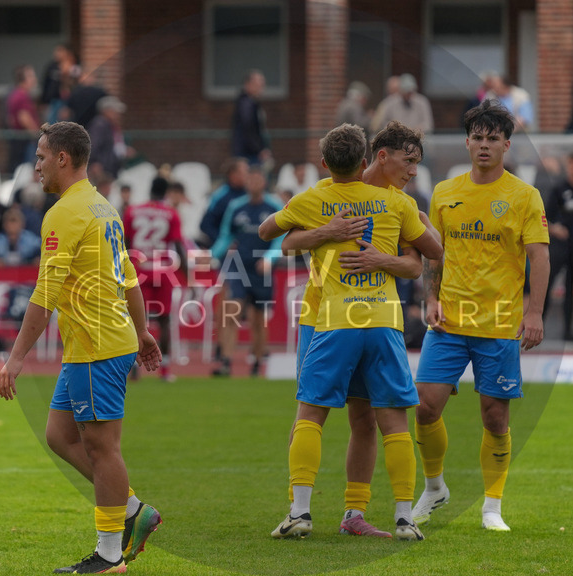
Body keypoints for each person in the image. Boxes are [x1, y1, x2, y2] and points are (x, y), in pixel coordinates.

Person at [260, 123, 442, 541]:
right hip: (324, 316)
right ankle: (381, 513)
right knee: (327, 413)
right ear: (376, 158)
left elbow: (415, 264)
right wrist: (328, 232)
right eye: (408, 161)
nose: (413, 171)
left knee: (352, 417)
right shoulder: (381, 201)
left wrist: (380, 259)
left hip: (339, 320)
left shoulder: (388, 201)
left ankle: (347, 513)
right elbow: (286, 244)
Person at [0, 121, 163, 574]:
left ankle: (109, 555)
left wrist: (16, 357)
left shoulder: (65, 212)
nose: (37, 167)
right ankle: (133, 510)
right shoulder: (103, 206)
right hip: (98, 342)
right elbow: (128, 276)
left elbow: (44, 293)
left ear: (62, 158)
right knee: (59, 435)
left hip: (97, 344)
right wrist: (142, 331)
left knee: (102, 448)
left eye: (41, 157)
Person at [411, 100, 549, 532]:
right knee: (425, 407)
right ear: (467, 142)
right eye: (478, 137)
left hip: (499, 324)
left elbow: (540, 256)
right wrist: (430, 298)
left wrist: (534, 312)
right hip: (449, 321)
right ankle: (434, 487)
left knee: (495, 416)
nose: (484, 145)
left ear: (507, 145)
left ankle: (492, 506)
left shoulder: (524, 196)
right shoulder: (444, 192)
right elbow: (434, 253)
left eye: (493, 138)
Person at [210, 168, 283, 377]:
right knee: (231, 312)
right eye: (250, 179)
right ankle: (226, 362)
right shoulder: (236, 206)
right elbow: (226, 235)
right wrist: (212, 255)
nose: (253, 183)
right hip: (239, 265)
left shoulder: (274, 206)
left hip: (262, 269)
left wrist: (269, 258)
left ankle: (257, 362)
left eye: (257, 179)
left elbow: (280, 238)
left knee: (258, 319)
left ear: (264, 182)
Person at [122, 177, 186, 382]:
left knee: (135, 320)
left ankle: (134, 367)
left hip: (137, 270)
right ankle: (164, 370)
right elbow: (177, 245)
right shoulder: (171, 213)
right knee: (164, 319)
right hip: (162, 270)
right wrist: (188, 276)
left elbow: (125, 243)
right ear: (165, 192)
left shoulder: (132, 211)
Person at [544, 152, 573, 341]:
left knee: (571, 289)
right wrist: (555, 229)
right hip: (558, 246)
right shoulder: (558, 190)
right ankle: (538, 325)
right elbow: (543, 218)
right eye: (571, 165)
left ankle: (568, 331)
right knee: (547, 285)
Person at [198, 157, 249, 248]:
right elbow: (206, 225)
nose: (248, 175)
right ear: (233, 174)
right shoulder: (220, 196)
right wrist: (224, 242)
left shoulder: (251, 194)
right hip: (228, 249)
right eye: (245, 172)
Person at [87, 96, 133, 190]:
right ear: (106, 111)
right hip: (102, 171)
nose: (118, 114)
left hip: (109, 169)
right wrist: (94, 162)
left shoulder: (109, 125)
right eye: (115, 111)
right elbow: (93, 145)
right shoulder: (100, 125)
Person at [230, 69, 271, 166]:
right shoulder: (247, 104)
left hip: (248, 151)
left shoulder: (251, 103)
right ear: (248, 84)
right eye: (258, 85)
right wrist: (259, 149)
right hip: (248, 153)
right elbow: (248, 127)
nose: (261, 88)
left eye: (262, 85)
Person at [5, 65, 40, 173]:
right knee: (25, 172)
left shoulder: (15, 94)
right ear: (24, 79)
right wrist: (38, 136)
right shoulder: (21, 96)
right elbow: (24, 118)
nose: (34, 79)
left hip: (19, 142)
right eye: (31, 76)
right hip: (24, 142)